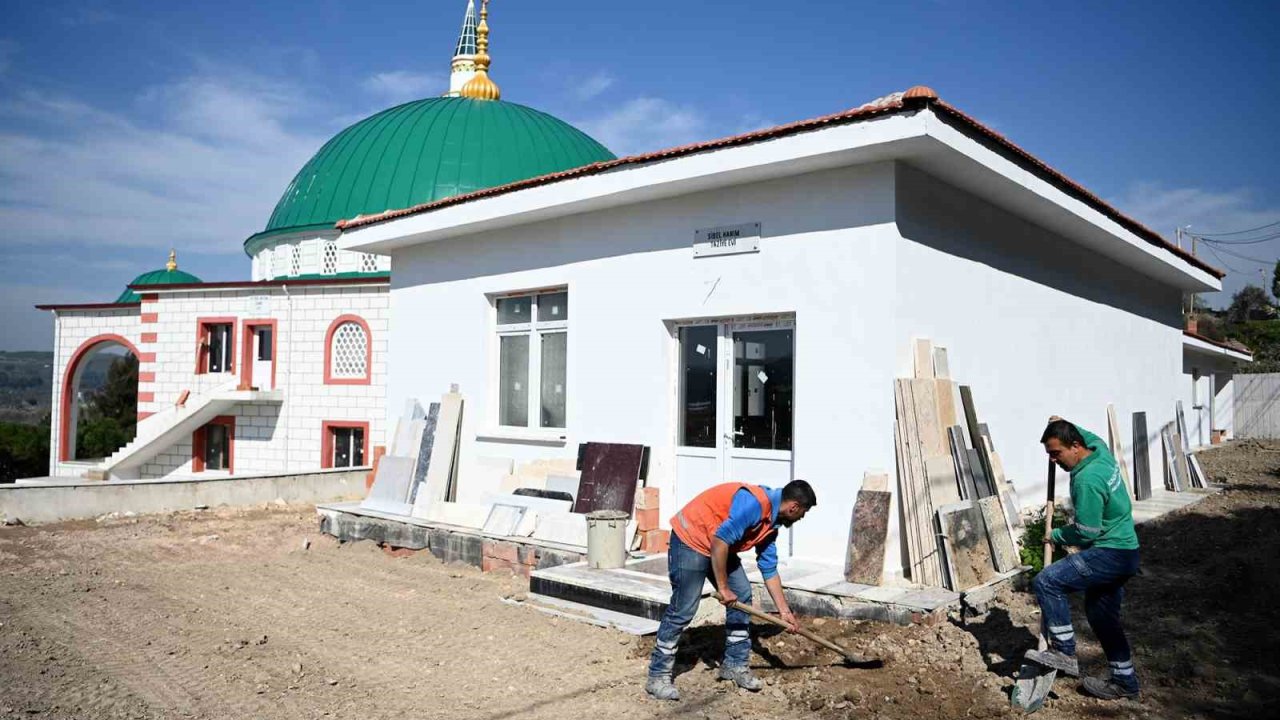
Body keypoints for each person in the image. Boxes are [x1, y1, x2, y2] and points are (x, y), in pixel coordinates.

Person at [645, 479, 817, 701]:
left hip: (717, 544)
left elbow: (769, 568)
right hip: (691, 538)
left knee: (742, 593)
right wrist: (723, 588)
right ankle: (657, 677)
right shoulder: (755, 505)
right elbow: (719, 542)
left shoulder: (771, 523)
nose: (801, 517)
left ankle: (734, 665)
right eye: (802, 513)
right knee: (683, 608)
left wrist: (784, 612)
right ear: (793, 507)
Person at [1027, 417, 1141, 701]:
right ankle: (1124, 681)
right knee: (1102, 618)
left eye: (1056, 453)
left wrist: (1056, 535)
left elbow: (1087, 531)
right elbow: (1087, 433)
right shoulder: (1099, 450)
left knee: (1047, 581)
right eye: (1049, 455)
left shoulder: (1087, 481)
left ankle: (1063, 652)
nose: (1053, 460)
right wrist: (1061, 420)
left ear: (1075, 446)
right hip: (1127, 552)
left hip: (1109, 553)